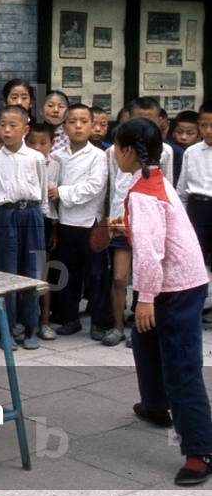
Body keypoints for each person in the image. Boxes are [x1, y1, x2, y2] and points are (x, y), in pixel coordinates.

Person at [111, 117, 212, 486]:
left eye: (115, 147)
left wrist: (146, 299)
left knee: (182, 367)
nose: (113, 154)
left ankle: (200, 451)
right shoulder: (154, 178)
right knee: (145, 338)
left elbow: (151, 254)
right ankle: (155, 405)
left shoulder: (143, 192)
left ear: (125, 151)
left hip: (177, 286)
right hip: (180, 279)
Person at [106, 97, 176, 347]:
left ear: (160, 121)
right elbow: (111, 186)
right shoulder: (113, 152)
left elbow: (165, 187)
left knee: (147, 271)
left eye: (149, 120)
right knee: (119, 277)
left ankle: (142, 324)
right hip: (120, 219)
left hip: (150, 223)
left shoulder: (164, 152)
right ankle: (117, 326)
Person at [0, 106, 48, 349]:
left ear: (25, 128)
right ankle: (7, 329)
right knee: (7, 273)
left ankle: (31, 326)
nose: (7, 130)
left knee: (34, 271)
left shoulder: (36, 158)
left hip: (32, 215)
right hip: (6, 215)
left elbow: (42, 192)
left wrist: (41, 217)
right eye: (3, 125)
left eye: (13, 125)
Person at [50, 103, 110, 337]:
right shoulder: (57, 155)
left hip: (90, 223)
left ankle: (100, 322)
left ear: (92, 125)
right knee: (67, 273)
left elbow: (94, 187)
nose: (78, 126)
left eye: (83, 121)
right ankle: (70, 318)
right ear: (64, 126)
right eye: (72, 121)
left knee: (95, 274)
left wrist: (62, 193)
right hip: (65, 222)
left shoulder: (97, 155)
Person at [25, 122, 60, 340]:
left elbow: (56, 200)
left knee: (43, 271)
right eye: (32, 142)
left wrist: (55, 229)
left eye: (43, 143)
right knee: (24, 271)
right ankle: (25, 320)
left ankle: (45, 321)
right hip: (26, 218)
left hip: (47, 220)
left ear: (52, 144)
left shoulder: (56, 164)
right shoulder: (23, 160)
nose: (38, 147)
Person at [177, 102, 212, 268]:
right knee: (194, 258)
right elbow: (182, 190)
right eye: (204, 125)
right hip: (196, 207)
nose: (208, 131)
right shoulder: (191, 152)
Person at [169, 109, 200, 185]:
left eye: (190, 133)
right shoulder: (170, 151)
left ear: (199, 135)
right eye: (179, 132)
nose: (183, 137)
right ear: (173, 133)